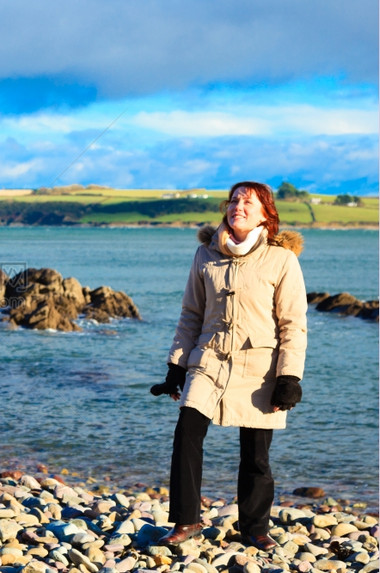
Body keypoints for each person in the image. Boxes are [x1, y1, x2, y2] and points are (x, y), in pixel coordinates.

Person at [150, 181, 307, 551]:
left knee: (255, 453)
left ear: (266, 214)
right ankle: (187, 520)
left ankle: (255, 528)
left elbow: (292, 323)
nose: (238, 205)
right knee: (187, 432)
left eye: (248, 202)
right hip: (209, 360)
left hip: (260, 365)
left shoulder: (281, 259)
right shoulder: (205, 254)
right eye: (234, 199)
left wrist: (289, 377)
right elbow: (191, 314)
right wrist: (176, 367)